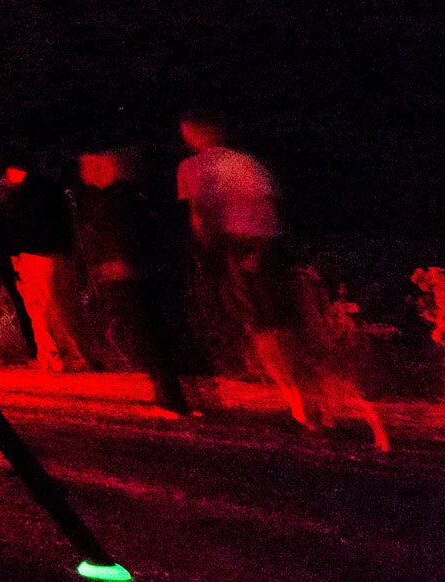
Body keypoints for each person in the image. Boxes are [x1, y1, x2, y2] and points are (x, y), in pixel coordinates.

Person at [176, 110, 319, 430]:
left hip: (236, 245)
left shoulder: (192, 167)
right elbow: (272, 201)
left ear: (195, 133)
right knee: (283, 320)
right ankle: (313, 392)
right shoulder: (248, 162)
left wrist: (209, 254)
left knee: (261, 326)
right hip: (271, 241)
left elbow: (199, 215)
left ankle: (296, 400)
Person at [75, 149, 194, 416]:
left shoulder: (116, 199)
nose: (83, 173)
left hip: (132, 274)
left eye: (87, 166)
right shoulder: (137, 195)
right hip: (148, 270)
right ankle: (173, 396)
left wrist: (120, 261)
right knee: (156, 333)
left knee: (149, 335)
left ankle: (170, 400)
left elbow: (123, 233)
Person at [0, 160, 94, 374]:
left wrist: (14, 254)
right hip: (57, 254)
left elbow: (18, 229)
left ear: (13, 171)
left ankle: (52, 356)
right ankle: (78, 354)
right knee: (63, 306)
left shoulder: (22, 196)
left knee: (40, 309)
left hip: (34, 255)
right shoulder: (51, 189)